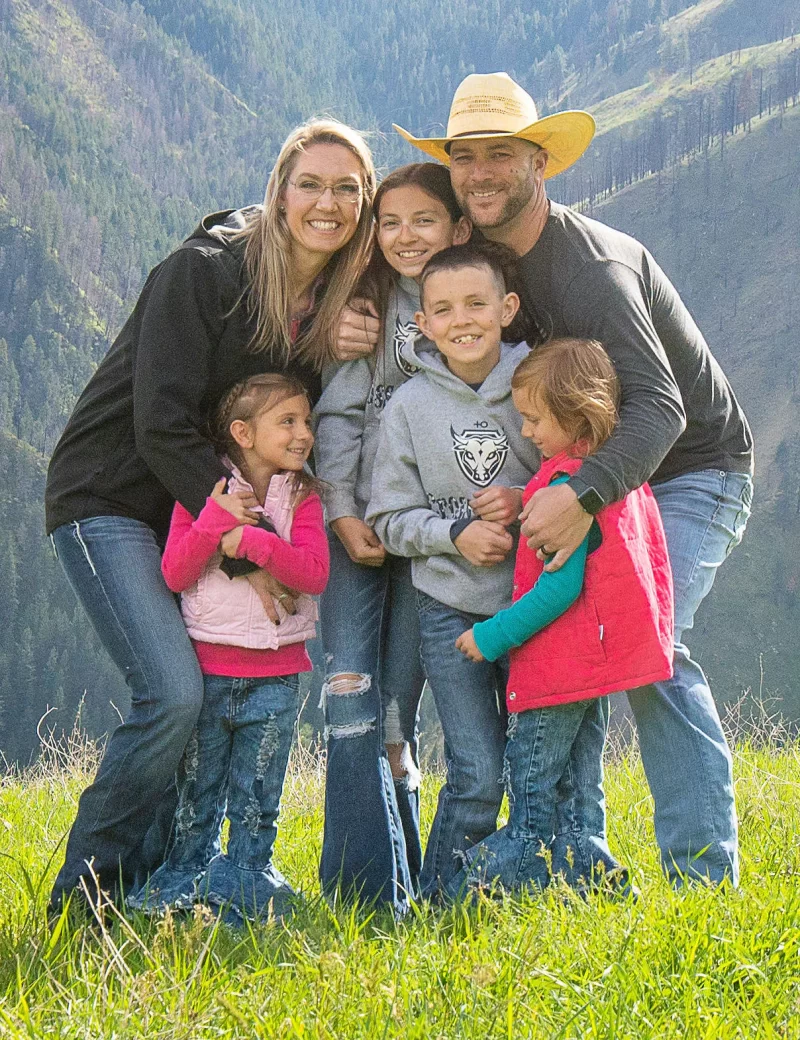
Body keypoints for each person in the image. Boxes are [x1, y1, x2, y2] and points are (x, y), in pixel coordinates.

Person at [394, 72, 754, 886]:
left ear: (538, 164)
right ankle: (573, 856)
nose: (479, 171)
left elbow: (661, 410)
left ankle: (704, 876)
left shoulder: (589, 267)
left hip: (693, 470)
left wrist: (581, 493)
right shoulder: (493, 264)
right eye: (464, 156)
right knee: (572, 642)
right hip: (598, 475)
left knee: (655, 647)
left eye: (499, 154)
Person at [45, 118, 376, 914]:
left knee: (193, 695)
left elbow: (273, 424)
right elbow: (159, 424)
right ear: (279, 191)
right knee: (173, 695)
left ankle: (156, 891)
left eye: (347, 189)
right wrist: (249, 548)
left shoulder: (318, 304)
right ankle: (88, 899)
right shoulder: (203, 273)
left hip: (191, 519)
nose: (326, 204)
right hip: (113, 500)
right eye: (311, 184)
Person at [449, 338, 673, 897]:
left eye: (533, 419)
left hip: (553, 673)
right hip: (589, 672)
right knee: (580, 802)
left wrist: (490, 636)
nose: (525, 432)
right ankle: (598, 894)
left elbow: (559, 591)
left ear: (574, 415)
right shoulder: (611, 479)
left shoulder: (564, 489)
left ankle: (458, 896)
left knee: (531, 801)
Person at [313, 164, 470, 912]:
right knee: (349, 690)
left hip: (425, 535)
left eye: (424, 221)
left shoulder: (468, 306)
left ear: (457, 228)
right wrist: (341, 506)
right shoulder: (367, 305)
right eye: (391, 222)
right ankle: (361, 898)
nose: (405, 236)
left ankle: (399, 887)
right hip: (356, 530)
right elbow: (339, 415)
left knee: (397, 712)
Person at [366, 243, 539, 898]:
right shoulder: (409, 407)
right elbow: (388, 518)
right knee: (476, 772)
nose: (461, 319)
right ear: (425, 325)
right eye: (443, 309)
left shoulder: (535, 385)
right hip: (451, 613)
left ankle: (527, 897)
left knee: (534, 765)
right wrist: (452, 534)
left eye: (476, 302)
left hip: (535, 610)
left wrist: (524, 507)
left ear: (507, 307)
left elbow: (571, 475)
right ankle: (441, 908)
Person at [126, 374, 328, 921]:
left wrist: (253, 542)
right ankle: (185, 884)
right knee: (199, 795)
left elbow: (313, 573)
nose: (303, 433)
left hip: (278, 679)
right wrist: (213, 524)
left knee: (258, 799)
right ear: (242, 432)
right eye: (287, 421)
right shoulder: (206, 494)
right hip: (210, 670)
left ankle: (247, 884)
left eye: (306, 421)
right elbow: (174, 572)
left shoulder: (304, 496)